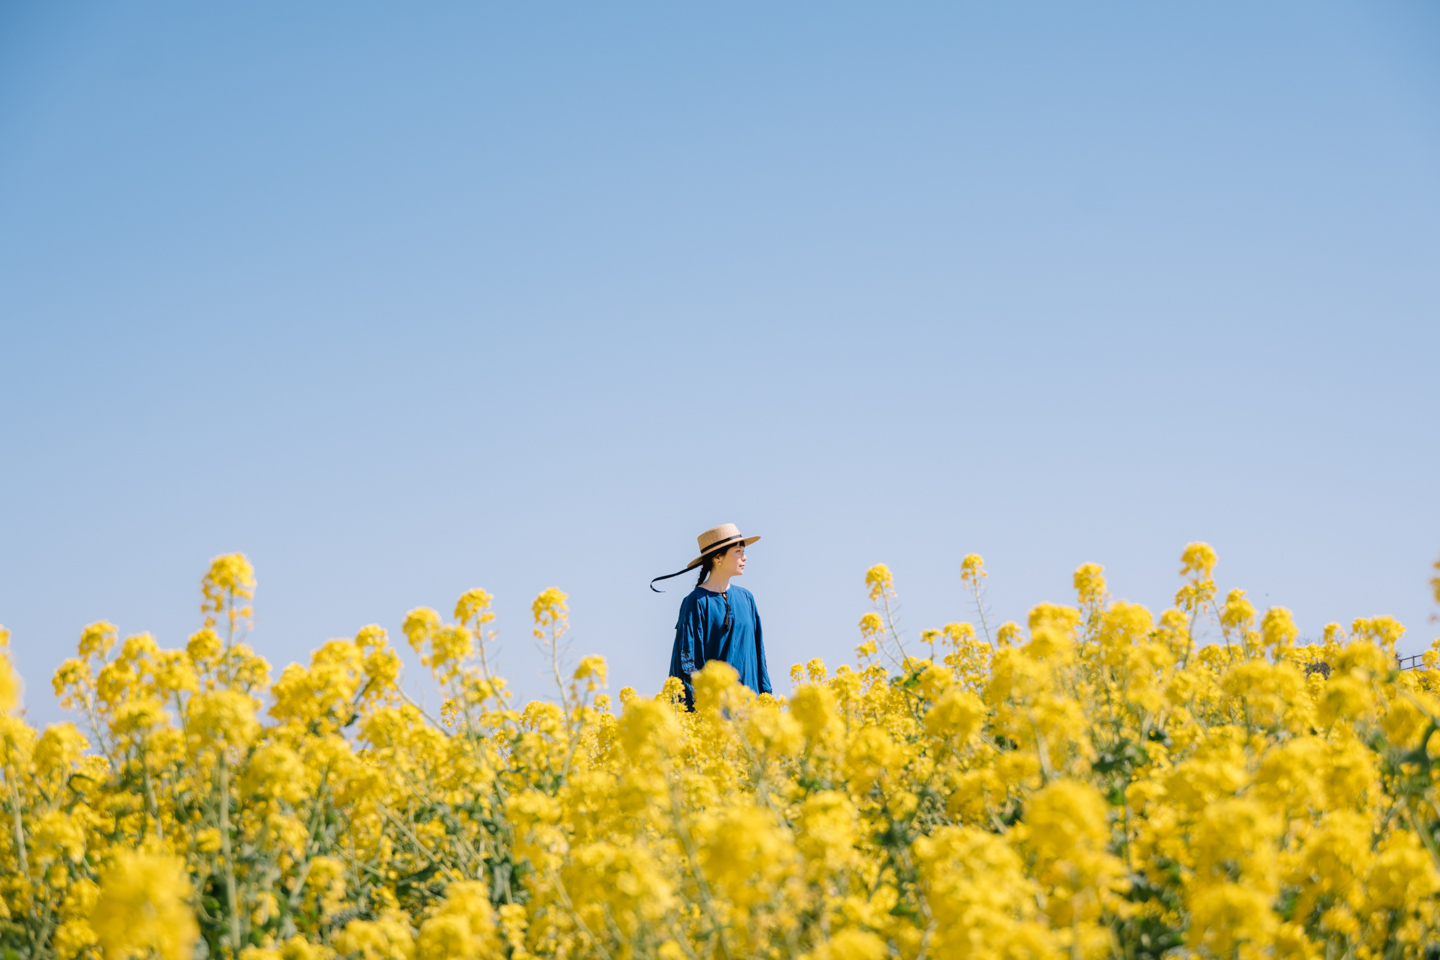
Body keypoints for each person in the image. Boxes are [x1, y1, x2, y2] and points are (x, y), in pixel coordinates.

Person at [651, 523, 771, 710]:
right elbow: (687, 662)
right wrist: (696, 713)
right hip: (714, 715)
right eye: (738, 551)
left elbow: (759, 653)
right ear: (718, 558)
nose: (744, 557)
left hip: (749, 711)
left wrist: (766, 699)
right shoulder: (695, 602)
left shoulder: (747, 598)